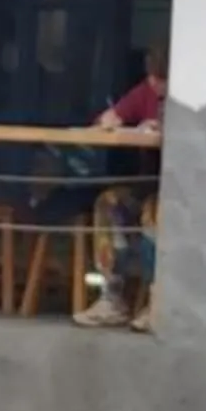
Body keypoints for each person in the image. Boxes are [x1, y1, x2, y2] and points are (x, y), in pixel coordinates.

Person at [74, 49, 167, 331]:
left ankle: (159, 300)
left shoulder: (190, 94)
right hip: (145, 182)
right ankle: (111, 297)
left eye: (161, 78)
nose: (154, 84)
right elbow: (109, 117)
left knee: (155, 213)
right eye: (151, 76)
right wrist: (111, 120)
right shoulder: (145, 92)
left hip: (175, 188)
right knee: (108, 203)